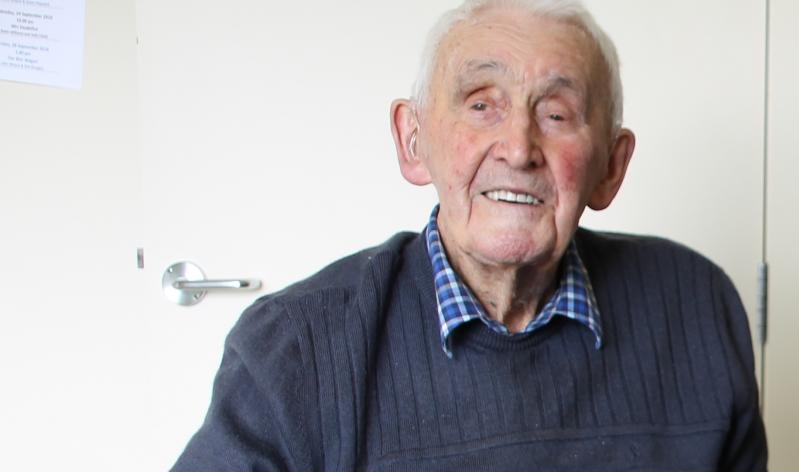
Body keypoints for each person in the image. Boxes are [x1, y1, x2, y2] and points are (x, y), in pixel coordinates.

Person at [173, 0, 767, 470]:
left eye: (556, 114)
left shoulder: (697, 308)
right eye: (483, 105)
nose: (517, 148)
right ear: (413, 140)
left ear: (610, 167)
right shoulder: (298, 348)